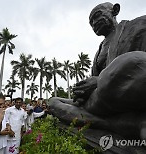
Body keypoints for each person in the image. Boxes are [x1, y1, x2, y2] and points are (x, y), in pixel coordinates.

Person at [49, 2, 146, 139]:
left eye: (97, 16)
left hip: (128, 87)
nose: (94, 23)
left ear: (115, 11)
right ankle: (113, 124)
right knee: (53, 102)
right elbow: (95, 82)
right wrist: (83, 91)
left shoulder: (138, 25)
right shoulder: (100, 49)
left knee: (130, 61)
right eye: (91, 23)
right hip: (101, 98)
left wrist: (98, 80)